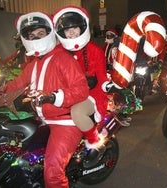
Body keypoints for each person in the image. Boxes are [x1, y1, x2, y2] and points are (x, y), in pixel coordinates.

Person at [0, 12, 90, 188]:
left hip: (64, 122)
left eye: (40, 33)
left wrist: (55, 96)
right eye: (31, 35)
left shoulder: (63, 59)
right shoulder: (33, 64)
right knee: (18, 156)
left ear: (50, 33)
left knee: (53, 173)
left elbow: (81, 90)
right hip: (41, 118)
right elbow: (14, 85)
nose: (35, 38)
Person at [53, 6, 121, 160]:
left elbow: (102, 77)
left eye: (75, 28)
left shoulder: (95, 50)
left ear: (82, 28)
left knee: (77, 112)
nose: (71, 32)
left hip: (91, 94)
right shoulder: (57, 51)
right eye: (67, 29)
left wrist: (107, 85)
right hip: (65, 93)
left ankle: (93, 140)